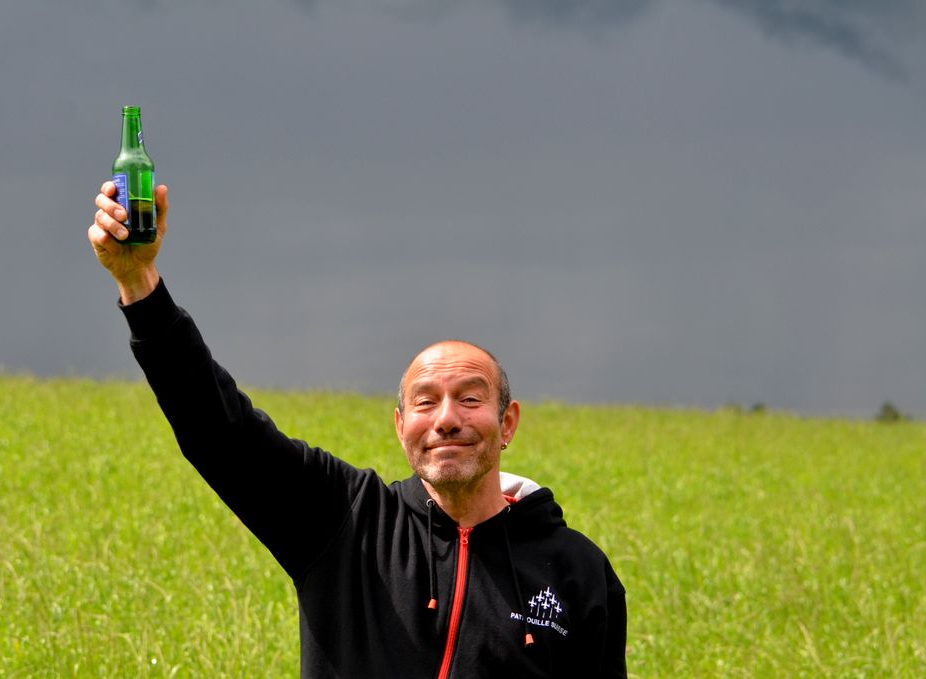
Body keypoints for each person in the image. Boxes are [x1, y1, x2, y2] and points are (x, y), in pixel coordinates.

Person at [89, 181, 628, 678]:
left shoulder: (577, 571)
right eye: (425, 402)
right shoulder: (343, 519)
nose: (446, 419)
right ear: (401, 426)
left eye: (470, 398)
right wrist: (139, 283)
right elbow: (220, 430)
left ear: (506, 422)